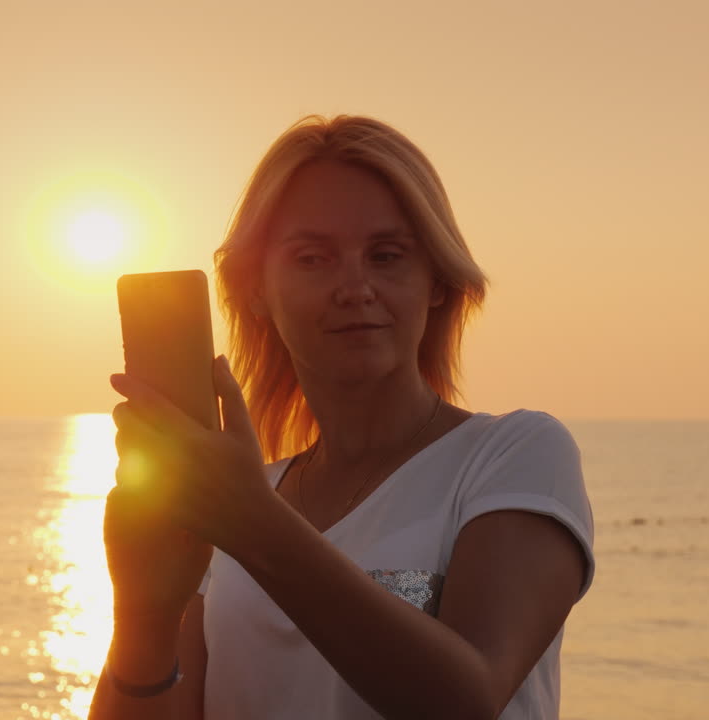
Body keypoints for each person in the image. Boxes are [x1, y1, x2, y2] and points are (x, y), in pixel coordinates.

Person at [87, 114, 595, 719]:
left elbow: (470, 699)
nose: (354, 286)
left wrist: (252, 520)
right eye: (312, 259)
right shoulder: (230, 503)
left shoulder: (512, 456)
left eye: (386, 255)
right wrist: (141, 616)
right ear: (256, 289)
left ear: (435, 278)